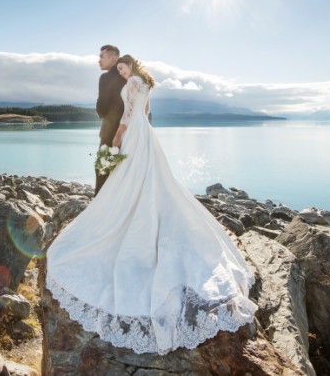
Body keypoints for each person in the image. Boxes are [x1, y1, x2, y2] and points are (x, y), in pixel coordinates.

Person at [46, 54, 256, 355]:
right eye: (117, 69)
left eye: (123, 67)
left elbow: (130, 113)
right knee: (153, 179)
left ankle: (133, 210)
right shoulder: (147, 83)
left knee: (132, 178)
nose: (121, 72)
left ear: (132, 66)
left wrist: (117, 138)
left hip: (134, 134)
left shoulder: (133, 82)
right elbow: (146, 111)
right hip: (148, 135)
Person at [94, 44, 126, 194]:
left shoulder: (106, 77)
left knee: (102, 168)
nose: (99, 60)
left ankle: (99, 204)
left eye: (102, 57)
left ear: (114, 58)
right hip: (129, 130)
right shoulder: (128, 77)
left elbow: (102, 106)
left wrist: (100, 112)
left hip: (110, 131)